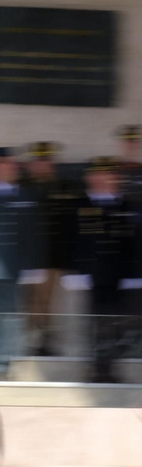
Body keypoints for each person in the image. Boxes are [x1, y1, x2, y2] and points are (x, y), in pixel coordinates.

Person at [73, 158, 142, 383]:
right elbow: (75, 240)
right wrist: (77, 270)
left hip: (121, 274)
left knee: (118, 322)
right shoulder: (82, 205)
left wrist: (136, 274)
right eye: (102, 175)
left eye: (112, 175)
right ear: (91, 178)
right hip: (94, 274)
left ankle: (110, 366)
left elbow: (137, 243)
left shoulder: (129, 206)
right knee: (97, 321)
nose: (109, 179)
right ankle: (98, 367)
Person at [20, 141, 79, 357]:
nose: (43, 165)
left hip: (52, 257)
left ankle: (44, 342)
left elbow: (68, 226)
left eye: (46, 160)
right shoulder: (23, 187)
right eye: (39, 160)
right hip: (27, 257)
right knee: (29, 301)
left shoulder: (62, 188)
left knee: (48, 302)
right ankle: (29, 340)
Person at [0, 147, 34, 374]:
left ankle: (4, 364)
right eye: (8, 163)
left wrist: (31, 264)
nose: (14, 167)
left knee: (10, 316)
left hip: (10, 268)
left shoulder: (22, 195)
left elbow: (30, 233)